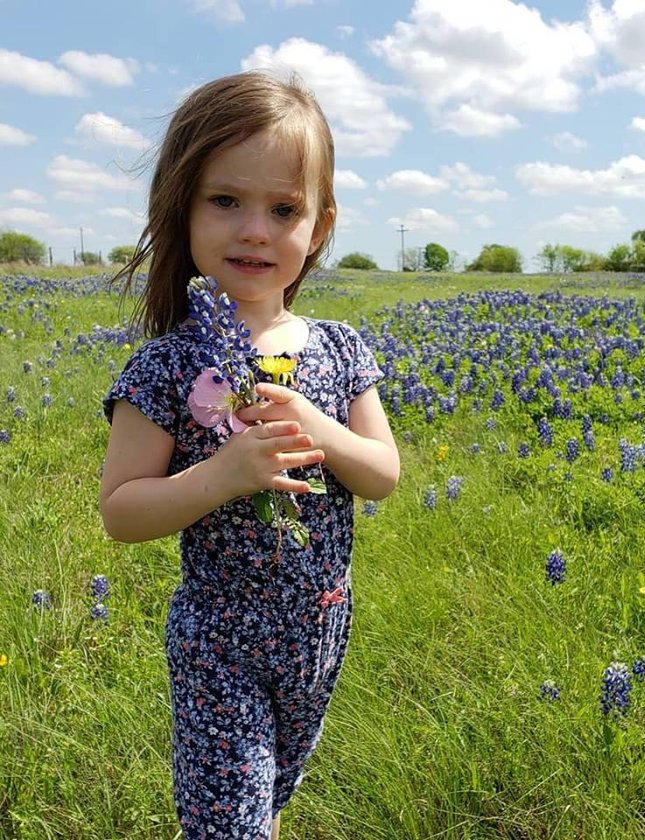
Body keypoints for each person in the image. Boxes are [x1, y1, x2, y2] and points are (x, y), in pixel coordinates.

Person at [100, 71, 400, 839]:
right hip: (219, 645)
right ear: (181, 206)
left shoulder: (340, 349)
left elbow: (383, 474)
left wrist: (318, 428)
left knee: (266, 803)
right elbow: (122, 511)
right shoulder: (166, 365)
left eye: (284, 209)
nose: (255, 230)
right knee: (226, 826)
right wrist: (223, 475)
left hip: (321, 630)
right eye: (225, 201)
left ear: (320, 225)